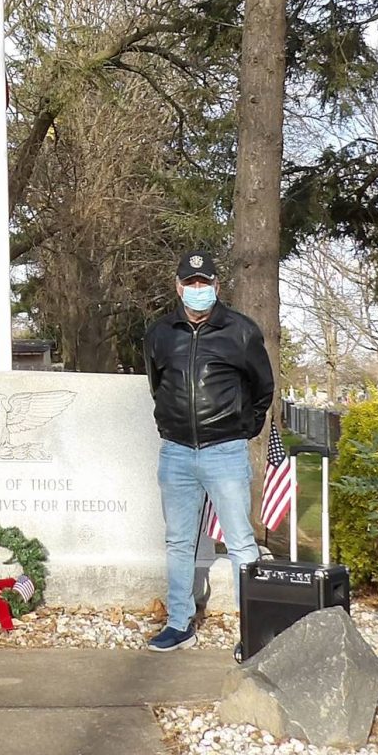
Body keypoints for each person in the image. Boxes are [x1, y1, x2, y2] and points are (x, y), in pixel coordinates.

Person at [142, 250, 275, 655]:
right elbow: (156, 384)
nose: (197, 290)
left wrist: (240, 429)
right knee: (179, 542)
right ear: (178, 286)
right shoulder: (160, 333)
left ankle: (252, 631)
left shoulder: (241, 331)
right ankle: (179, 623)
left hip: (226, 453)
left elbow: (262, 389)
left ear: (217, 286)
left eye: (205, 283)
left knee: (241, 544)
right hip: (177, 454)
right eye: (190, 283)